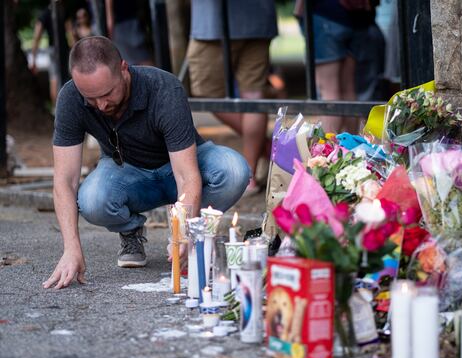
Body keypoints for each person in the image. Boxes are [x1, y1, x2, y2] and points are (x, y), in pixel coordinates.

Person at [43, 36, 249, 289]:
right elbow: (64, 181)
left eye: (108, 93)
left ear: (123, 69)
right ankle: (131, 230)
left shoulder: (164, 89)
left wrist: (183, 232)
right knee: (92, 200)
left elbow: (187, 176)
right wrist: (71, 248)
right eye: (91, 98)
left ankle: (195, 236)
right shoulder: (71, 97)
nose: (101, 104)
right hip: (127, 171)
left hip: (182, 166)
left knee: (234, 170)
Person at [187, 0, 278, 195]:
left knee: (207, 95)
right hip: (258, 17)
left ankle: (268, 154)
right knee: (253, 96)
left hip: (213, 23)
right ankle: (251, 175)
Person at [295, 0, 379, 132]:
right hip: (359, 18)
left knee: (329, 91)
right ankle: (351, 147)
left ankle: (328, 150)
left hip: (327, 14)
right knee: (348, 89)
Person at [106, 0, 154, 66]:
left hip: (122, 25)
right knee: (140, 59)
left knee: (139, 60)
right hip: (132, 21)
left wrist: (110, 29)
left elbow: (110, 19)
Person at [30, 4, 58, 106]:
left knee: (54, 78)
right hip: (58, 50)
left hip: (55, 50)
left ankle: (56, 109)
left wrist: (33, 59)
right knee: (56, 78)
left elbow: (36, 37)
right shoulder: (57, 12)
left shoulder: (45, 14)